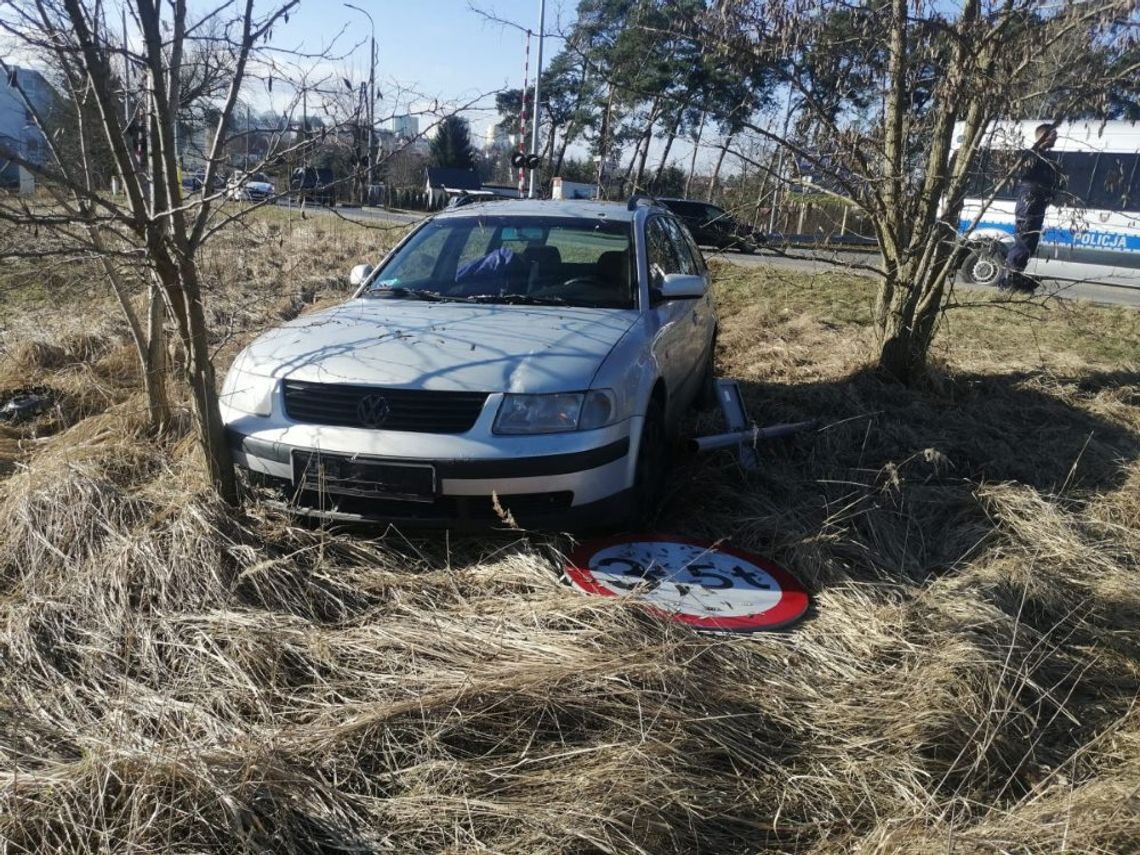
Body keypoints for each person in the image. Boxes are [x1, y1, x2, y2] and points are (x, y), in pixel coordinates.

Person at [1004, 123, 1064, 292]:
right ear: (1044, 136)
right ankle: (1009, 280)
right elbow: (1026, 175)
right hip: (1029, 202)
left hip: (1038, 202)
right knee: (1024, 239)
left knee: (1030, 242)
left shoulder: (1048, 158)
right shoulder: (1031, 155)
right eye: (1053, 135)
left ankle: (1016, 277)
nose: (1056, 138)